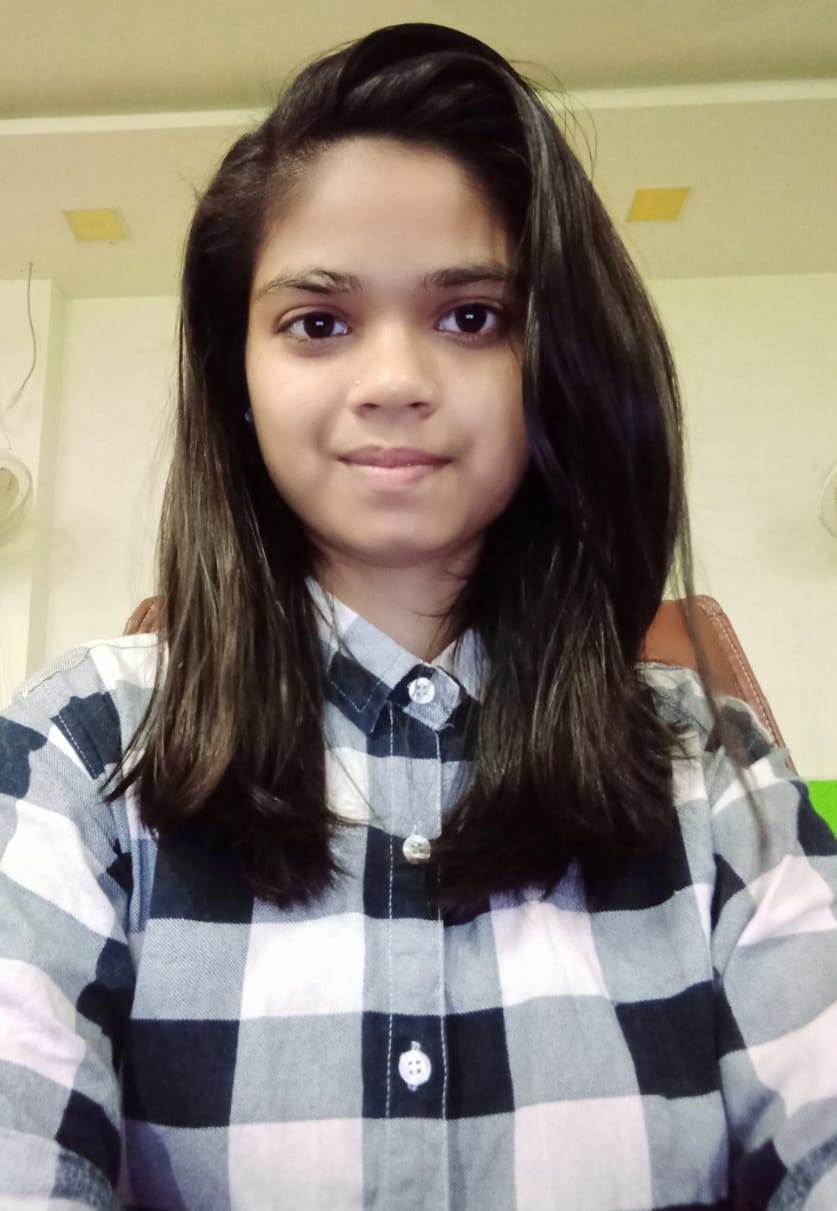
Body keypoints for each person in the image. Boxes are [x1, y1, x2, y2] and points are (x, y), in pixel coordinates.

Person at [0, 21, 834, 1211]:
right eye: (319, 322)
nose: (394, 380)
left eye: (473, 315)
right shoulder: (80, 751)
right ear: (239, 380)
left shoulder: (713, 768)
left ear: (555, 364)